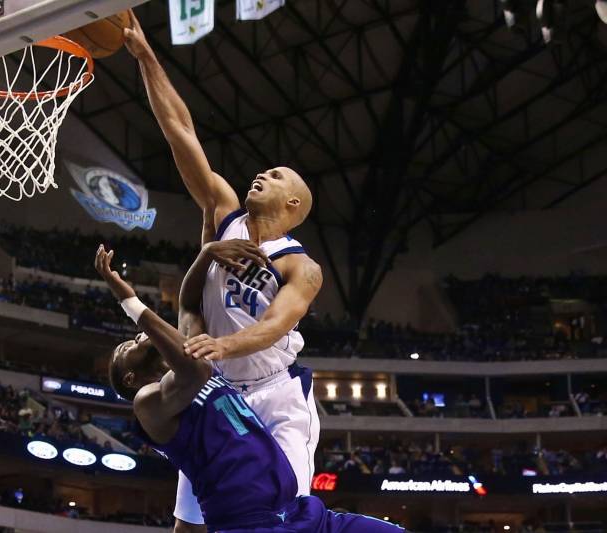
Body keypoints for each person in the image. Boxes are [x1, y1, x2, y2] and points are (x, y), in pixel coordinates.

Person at [124, 12, 323, 531]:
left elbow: (277, 324)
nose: (263, 173)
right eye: (264, 169)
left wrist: (223, 346)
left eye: (276, 175)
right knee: (189, 523)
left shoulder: (301, 266)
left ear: (294, 202)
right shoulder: (224, 215)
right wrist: (147, 57)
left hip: (276, 396)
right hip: (215, 391)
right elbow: (180, 131)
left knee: (284, 520)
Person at [95, 244, 402, 533]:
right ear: (130, 379)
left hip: (299, 513)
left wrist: (206, 253)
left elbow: (189, 305)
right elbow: (196, 370)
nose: (134, 339)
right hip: (248, 523)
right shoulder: (148, 403)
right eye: (125, 349)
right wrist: (130, 303)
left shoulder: (189, 364)